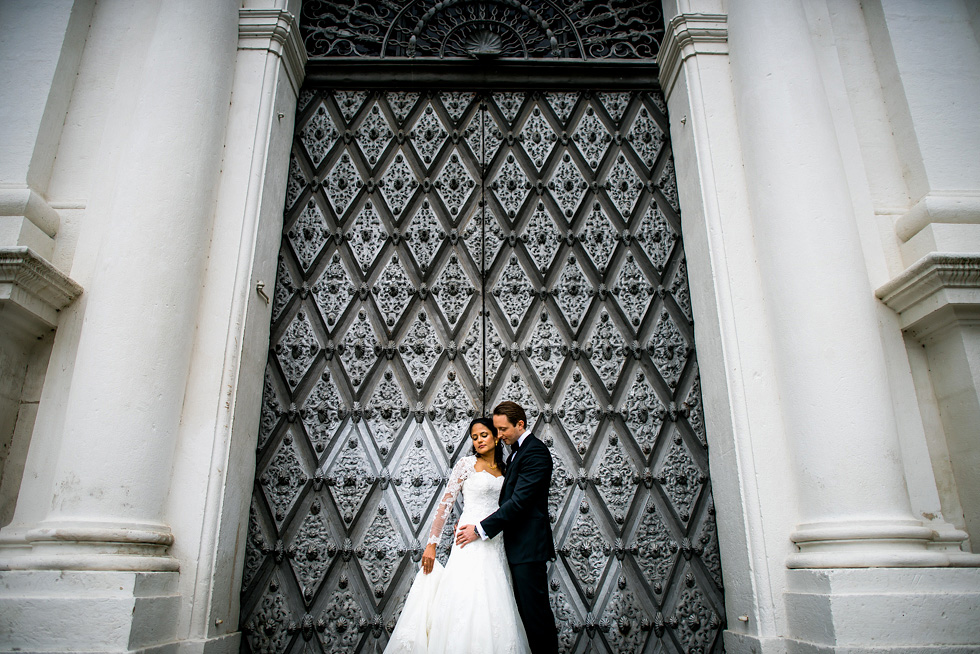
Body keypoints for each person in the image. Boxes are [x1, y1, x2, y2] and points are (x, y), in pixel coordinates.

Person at [383, 417, 531, 654]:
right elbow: (445, 506)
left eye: (483, 435)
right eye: (474, 437)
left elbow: (511, 507)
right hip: (466, 541)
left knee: (495, 600)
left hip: (495, 542)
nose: (479, 440)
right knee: (465, 597)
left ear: (495, 436)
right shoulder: (466, 465)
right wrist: (431, 545)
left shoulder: (507, 469)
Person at [456, 401, 560, 654]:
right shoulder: (516, 453)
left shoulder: (534, 452)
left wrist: (480, 529)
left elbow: (519, 502)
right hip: (512, 547)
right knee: (523, 615)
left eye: (502, 430)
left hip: (527, 547)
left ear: (520, 424)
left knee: (536, 617)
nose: (498, 435)